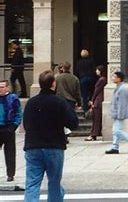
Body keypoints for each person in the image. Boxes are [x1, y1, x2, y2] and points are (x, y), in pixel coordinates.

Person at [23, 70, 79, 202]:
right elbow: (73, 123)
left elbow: (25, 124)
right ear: (53, 84)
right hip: (53, 146)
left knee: (32, 183)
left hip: (33, 146)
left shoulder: (31, 102)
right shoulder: (59, 102)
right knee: (54, 183)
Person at [105, 71, 128, 154]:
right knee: (116, 131)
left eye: (114, 77)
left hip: (119, 114)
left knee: (116, 131)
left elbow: (122, 103)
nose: (112, 78)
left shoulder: (123, 88)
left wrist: (120, 115)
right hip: (116, 113)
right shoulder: (119, 87)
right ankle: (115, 147)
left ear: (119, 78)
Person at [0, 80, 22, 182]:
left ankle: (10, 174)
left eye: (2, 87)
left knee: (10, 152)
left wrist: (14, 126)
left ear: (7, 88)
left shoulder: (13, 98)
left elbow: (18, 113)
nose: (0, 89)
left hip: (8, 127)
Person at [85, 65, 107, 141]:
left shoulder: (101, 79)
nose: (96, 71)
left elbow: (96, 91)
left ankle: (93, 134)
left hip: (98, 100)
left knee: (96, 118)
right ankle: (95, 133)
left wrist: (92, 100)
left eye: (97, 70)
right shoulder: (102, 79)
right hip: (99, 99)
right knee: (97, 118)